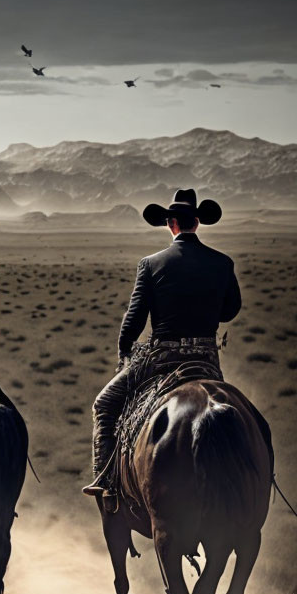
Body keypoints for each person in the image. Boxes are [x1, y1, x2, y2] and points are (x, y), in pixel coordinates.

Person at [83, 189, 241, 511]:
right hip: (208, 362)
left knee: (104, 405)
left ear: (171, 224)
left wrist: (125, 353)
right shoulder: (223, 263)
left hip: (161, 361)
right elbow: (231, 310)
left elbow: (134, 319)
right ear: (197, 222)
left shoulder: (151, 264)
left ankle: (108, 484)